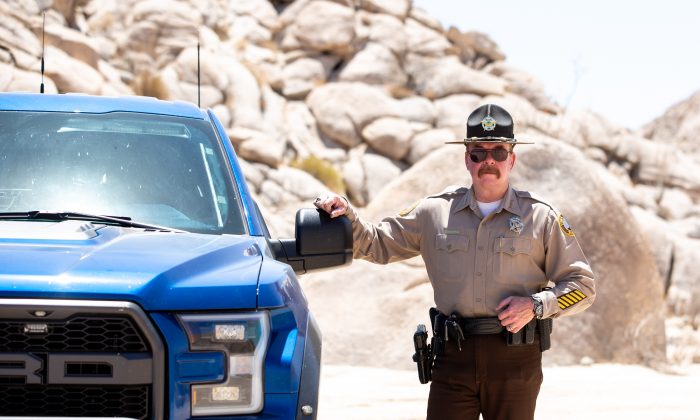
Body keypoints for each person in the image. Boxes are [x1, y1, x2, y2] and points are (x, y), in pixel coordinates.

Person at [314, 103, 595, 420]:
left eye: (499, 152)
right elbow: (376, 244)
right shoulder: (434, 212)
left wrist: (536, 305)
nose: (489, 161)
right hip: (453, 358)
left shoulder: (540, 216)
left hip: (515, 362)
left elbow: (583, 287)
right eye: (478, 152)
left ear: (512, 158)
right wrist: (346, 215)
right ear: (467, 159)